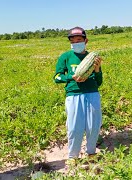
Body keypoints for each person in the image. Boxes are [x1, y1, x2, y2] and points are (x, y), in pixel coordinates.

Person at [53, 27, 103, 164]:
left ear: (86, 41)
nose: (76, 43)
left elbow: (99, 82)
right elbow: (57, 77)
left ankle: (91, 153)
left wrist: (97, 70)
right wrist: (71, 77)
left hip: (92, 93)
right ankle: (73, 157)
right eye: (73, 40)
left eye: (79, 40)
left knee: (94, 126)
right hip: (73, 95)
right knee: (74, 127)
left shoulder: (92, 58)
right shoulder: (65, 57)